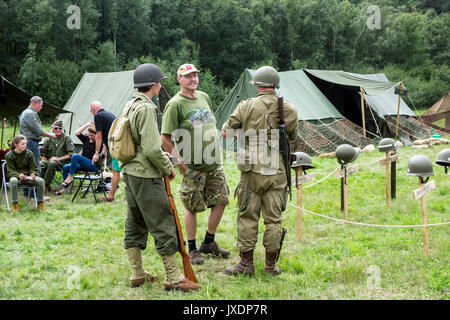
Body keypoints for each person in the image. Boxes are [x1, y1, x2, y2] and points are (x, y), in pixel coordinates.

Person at [121, 63, 200, 291]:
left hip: (130, 172)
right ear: (154, 84)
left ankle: (137, 273)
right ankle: (174, 277)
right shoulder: (147, 108)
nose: (161, 85)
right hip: (146, 175)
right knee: (164, 223)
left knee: (134, 222)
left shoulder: (131, 104)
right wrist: (169, 167)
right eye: (159, 82)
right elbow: (152, 149)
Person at [221, 66, 299, 276]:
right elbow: (292, 137)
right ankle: (270, 266)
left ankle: (246, 264)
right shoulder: (289, 109)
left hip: (251, 169)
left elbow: (226, 131)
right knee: (274, 220)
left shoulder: (245, 106)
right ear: (275, 85)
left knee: (248, 217)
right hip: (277, 170)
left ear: (257, 85)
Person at [161, 63, 230, 265]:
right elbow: (165, 138)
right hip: (193, 167)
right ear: (179, 79)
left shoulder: (204, 97)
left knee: (221, 201)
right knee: (192, 206)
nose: (193, 79)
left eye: (195, 75)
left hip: (214, 163)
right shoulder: (175, 104)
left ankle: (208, 242)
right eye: (188, 76)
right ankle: (192, 249)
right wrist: (179, 163)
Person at [56, 122, 106, 195]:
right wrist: (87, 125)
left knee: (75, 156)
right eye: (88, 135)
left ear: (97, 135)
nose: (90, 137)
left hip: (93, 166)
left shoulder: (100, 143)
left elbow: (105, 146)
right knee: (65, 167)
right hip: (83, 165)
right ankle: (65, 188)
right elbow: (77, 133)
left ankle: (70, 177)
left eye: (92, 135)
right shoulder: (86, 139)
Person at [5, 134, 46, 211]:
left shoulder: (29, 153)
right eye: (22, 144)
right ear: (15, 145)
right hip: (16, 176)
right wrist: (18, 175)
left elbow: (33, 167)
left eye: (25, 144)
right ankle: (15, 205)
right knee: (13, 181)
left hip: (28, 176)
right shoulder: (9, 155)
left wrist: (33, 174)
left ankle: (40, 204)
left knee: (41, 181)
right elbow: (10, 171)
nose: (25, 145)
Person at [90, 101, 120, 202]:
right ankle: (130, 195)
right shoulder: (109, 114)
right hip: (121, 145)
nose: (92, 114)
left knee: (116, 171)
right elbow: (109, 135)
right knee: (124, 170)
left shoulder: (98, 116)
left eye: (91, 111)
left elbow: (99, 136)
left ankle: (111, 196)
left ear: (94, 110)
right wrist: (103, 151)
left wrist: (96, 153)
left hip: (116, 147)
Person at [19, 96, 56, 175]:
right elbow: (39, 131)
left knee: (28, 167)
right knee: (35, 167)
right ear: (37, 103)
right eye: (41, 105)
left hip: (26, 142)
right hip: (31, 143)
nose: (41, 107)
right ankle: (35, 187)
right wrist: (51, 135)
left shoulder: (24, 112)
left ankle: (28, 187)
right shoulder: (30, 114)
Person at [40, 120, 74, 193]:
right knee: (41, 164)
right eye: (56, 128)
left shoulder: (67, 138)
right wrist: (42, 160)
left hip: (63, 162)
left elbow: (70, 155)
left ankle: (45, 185)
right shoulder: (48, 138)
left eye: (60, 128)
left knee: (52, 164)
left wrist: (58, 159)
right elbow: (44, 154)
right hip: (50, 161)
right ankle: (40, 185)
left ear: (63, 128)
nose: (58, 130)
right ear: (52, 129)